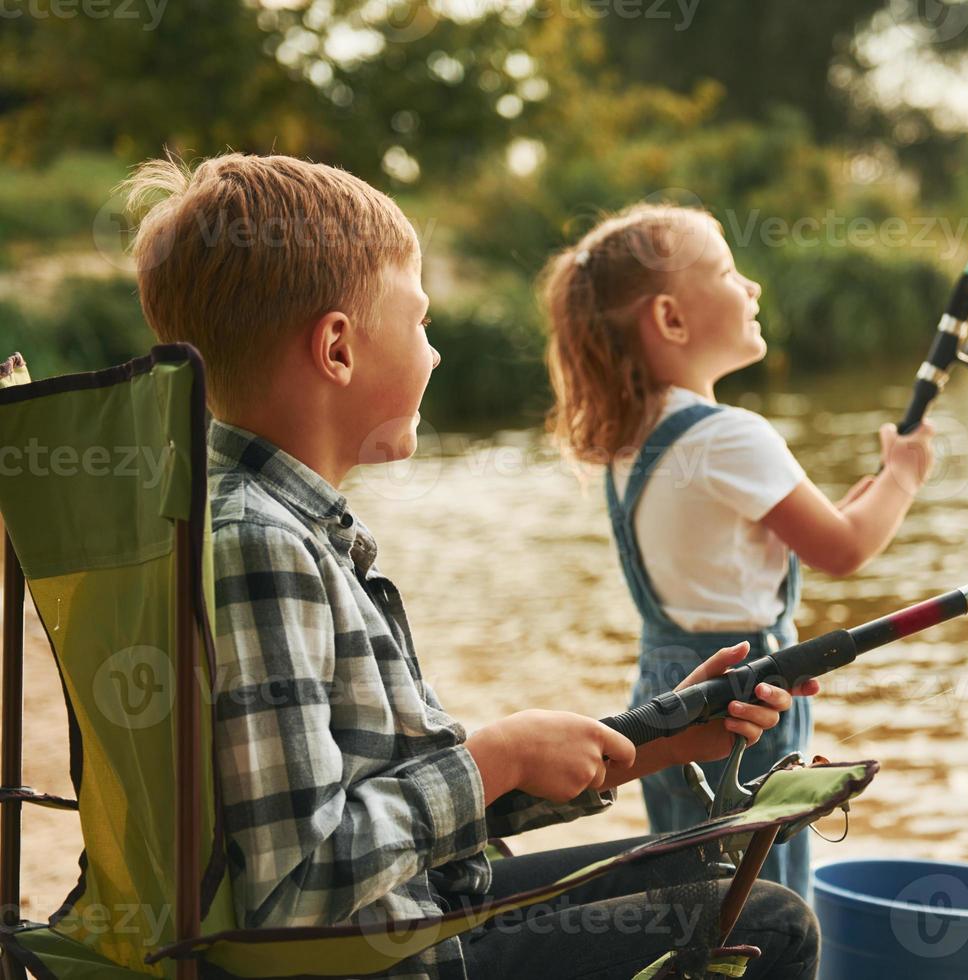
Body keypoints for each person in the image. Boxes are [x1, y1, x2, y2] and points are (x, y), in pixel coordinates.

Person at [122, 154, 820, 980]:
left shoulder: (254, 517)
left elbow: (399, 812)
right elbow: (299, 886)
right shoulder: (260, 545)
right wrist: (497, 756)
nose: (437, 354)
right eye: (420, 324)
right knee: (769, 921)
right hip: (390, 956)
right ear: (338, 349)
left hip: (406, 909)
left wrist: (657, 741)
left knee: (706, 868)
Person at [541, 204, 935, 899]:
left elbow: (774, 541)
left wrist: (868, 488)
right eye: (728, 271)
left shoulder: (633, 435)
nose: (751, 287)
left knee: (697, 895)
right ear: (670, 319)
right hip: (745, 698)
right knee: (765, 896)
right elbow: (842, 549)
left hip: (664, 694)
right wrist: (902, 474)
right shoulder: (729, 435)